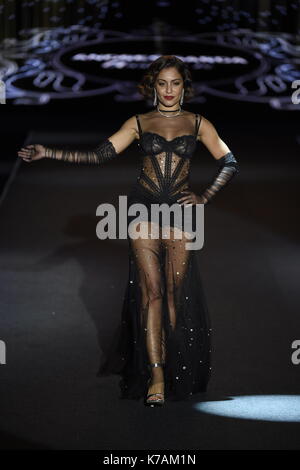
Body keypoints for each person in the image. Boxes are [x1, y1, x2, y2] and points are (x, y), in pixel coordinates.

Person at [18, 55, 239, 407]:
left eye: (175, 83)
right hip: (142, 211)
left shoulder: (199, 124)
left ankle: (174, 363)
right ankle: (156, 375)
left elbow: (229, 161)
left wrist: (204, 196)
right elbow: (98, 155)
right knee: (151, 293)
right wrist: (48, 152)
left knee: (173, 296)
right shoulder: (138, 121)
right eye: (162, 83)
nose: (168, 90)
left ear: (184, 86)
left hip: (182, 216)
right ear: (152, 85)